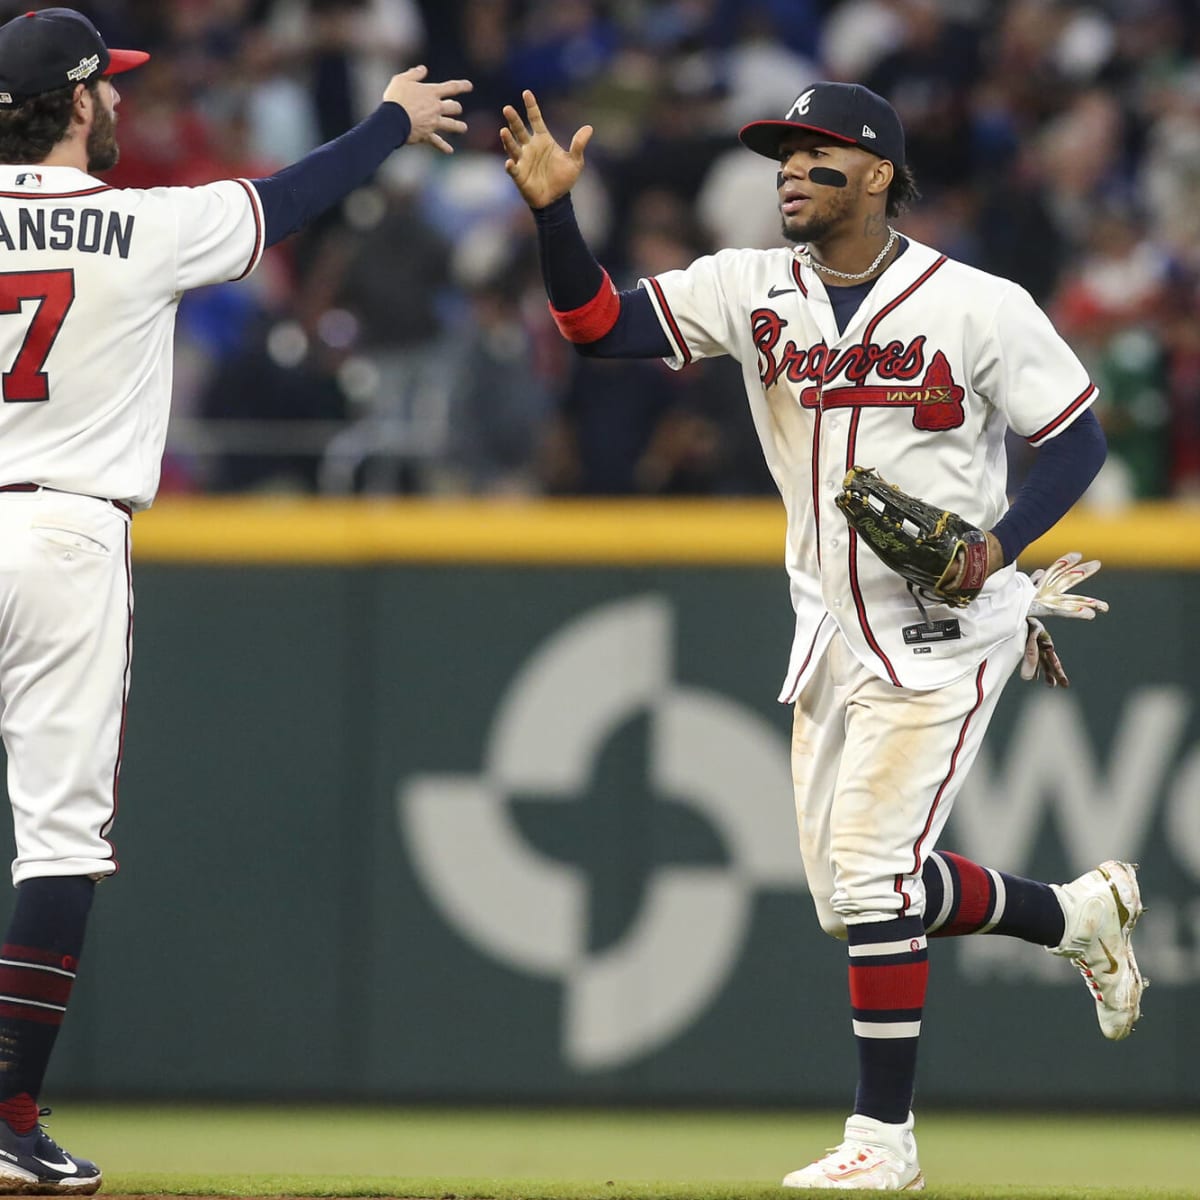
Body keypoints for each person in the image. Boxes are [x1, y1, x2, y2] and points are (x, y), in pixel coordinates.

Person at [500, 82, 1145, 1192]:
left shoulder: (976, 303)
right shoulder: (749, 287)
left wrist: (999, 544)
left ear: (880, 173)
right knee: (853, 893)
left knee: (870, 874)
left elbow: (1076, 441)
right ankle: (1076, 914)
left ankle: (882, 1144)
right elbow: (594, 326)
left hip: (950, 625)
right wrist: (556, 214)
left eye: (818, 153)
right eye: (782, 155)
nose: (791, 170)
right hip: (831, 628)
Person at [0, 8, 470, 1193]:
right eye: (107, 87)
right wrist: (390, 123)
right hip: (64, 532)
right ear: (72, 100)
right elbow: (291, 200)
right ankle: (4, 1119)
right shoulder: (146, 224)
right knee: (57, 836)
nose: (120, 101)